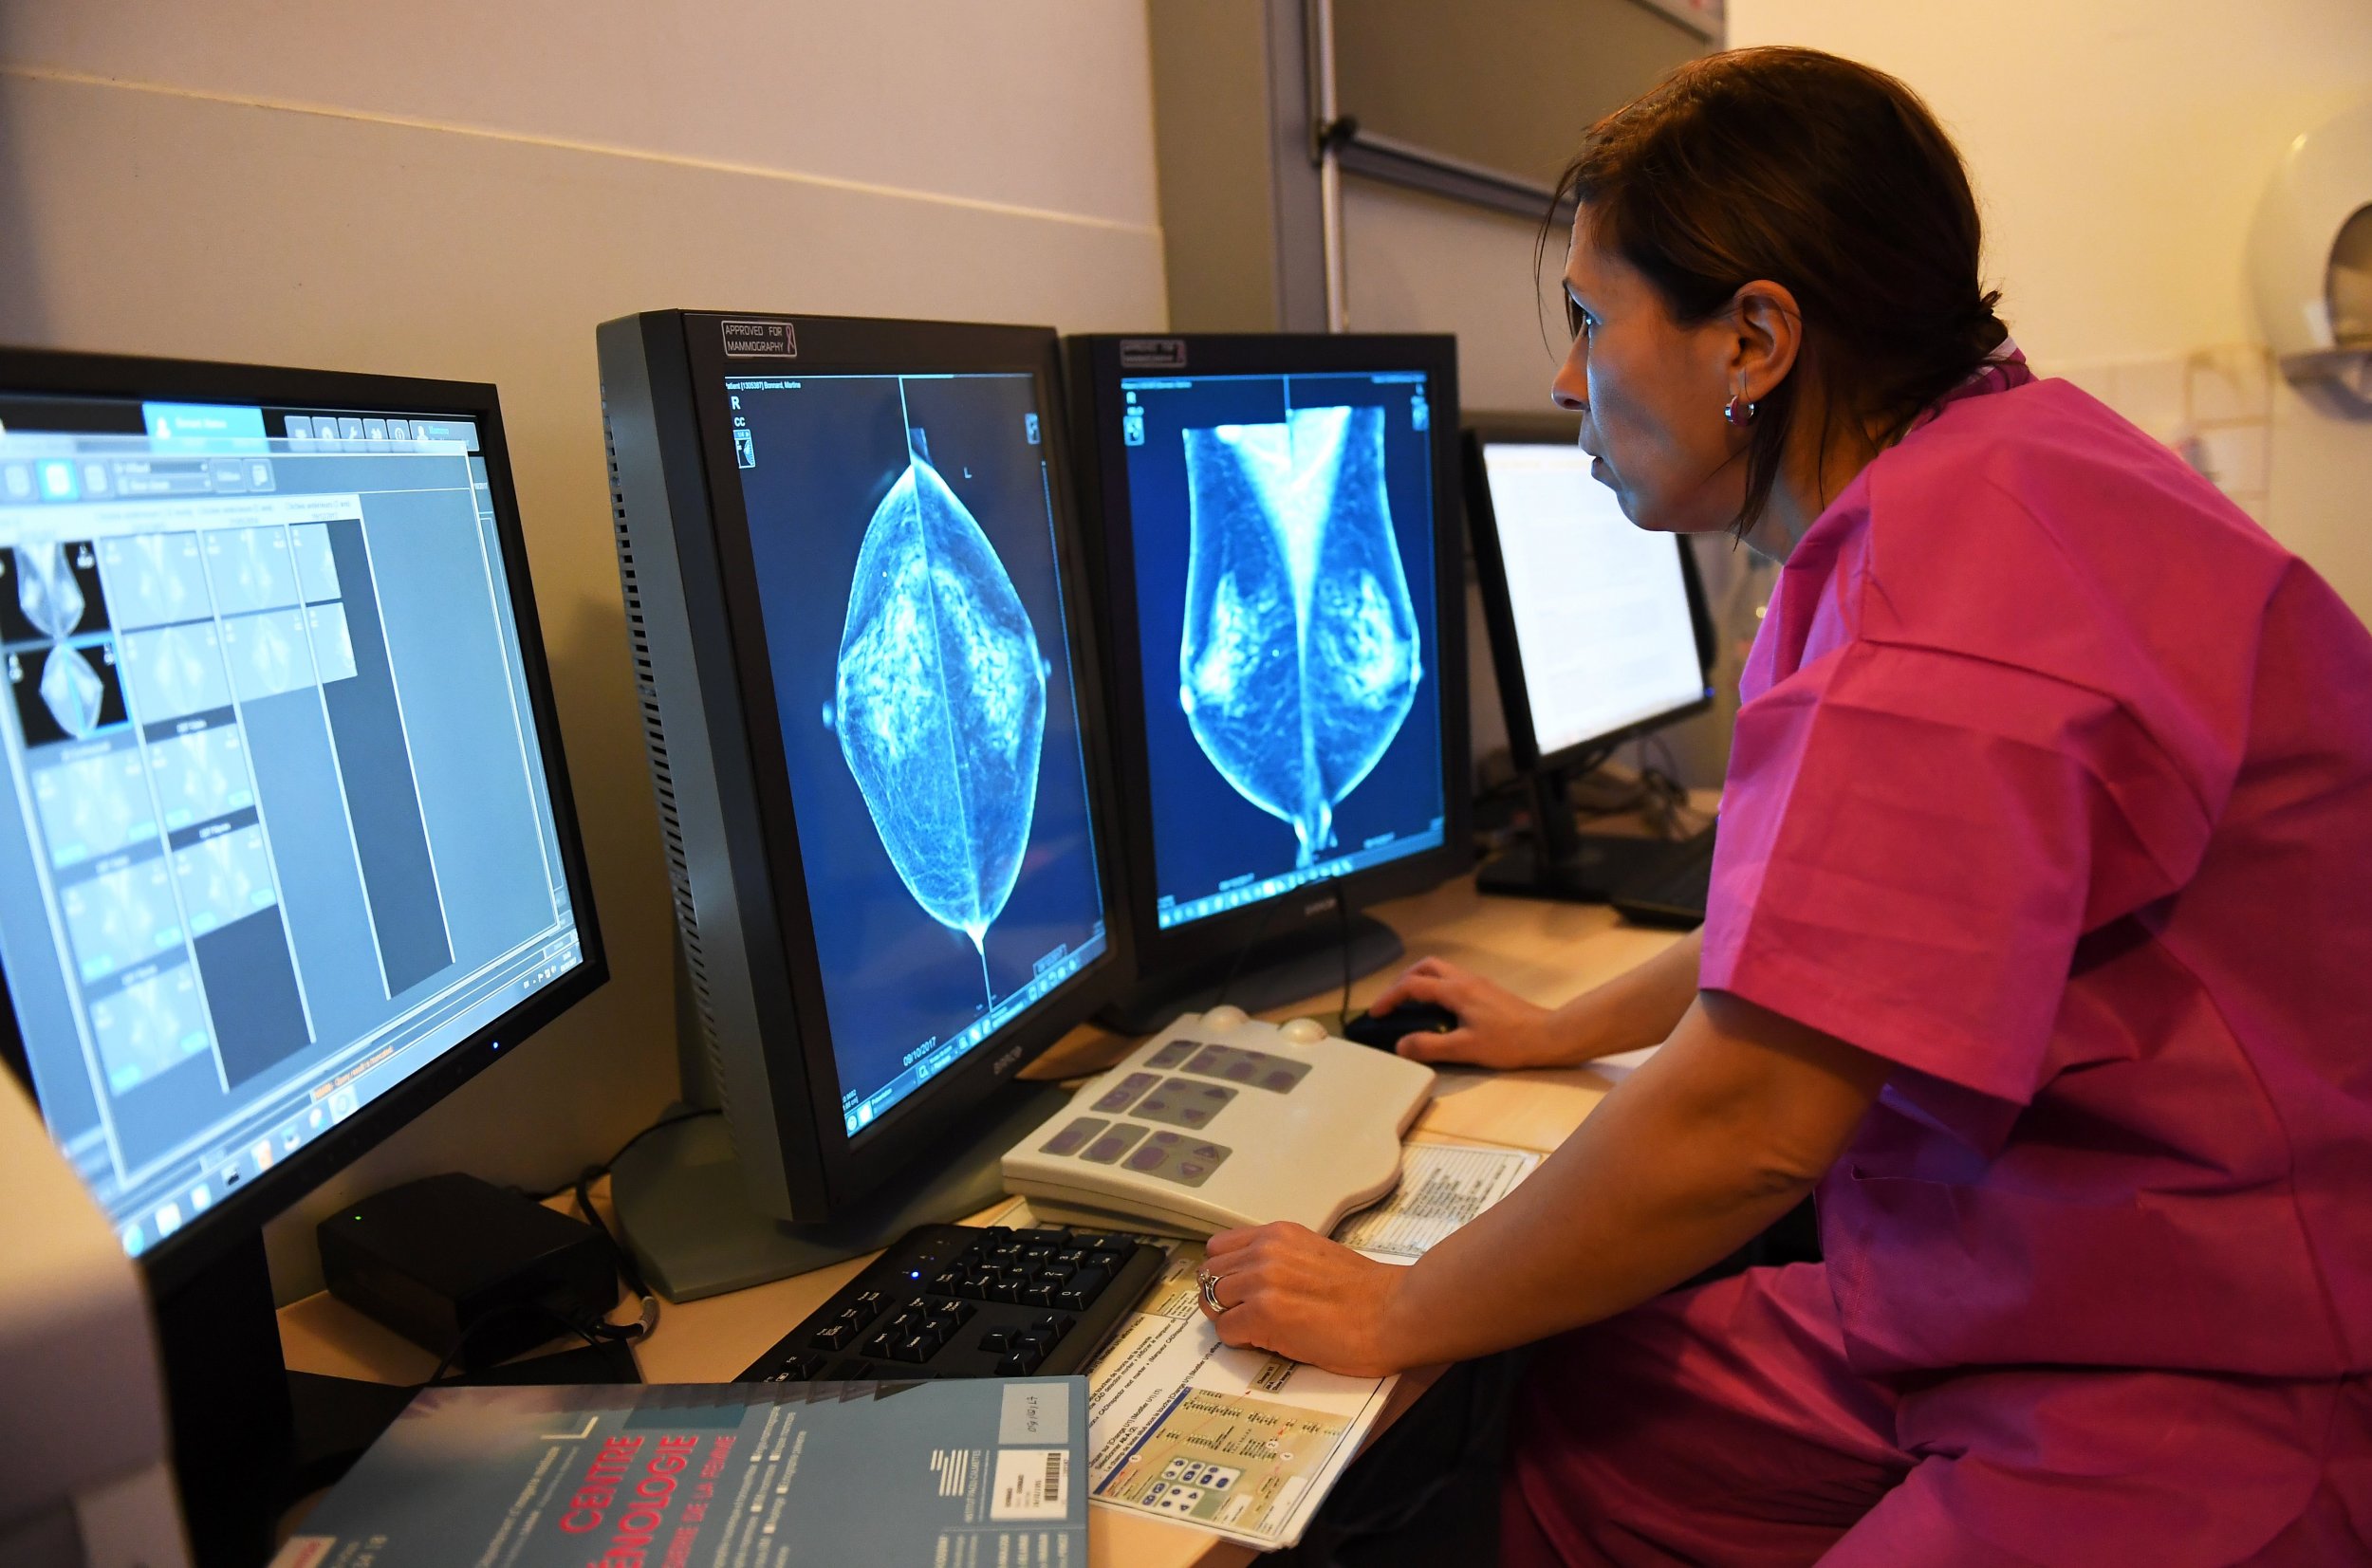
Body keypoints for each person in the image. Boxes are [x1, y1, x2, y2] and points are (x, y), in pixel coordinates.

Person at [1192, 46, 2372, 1565]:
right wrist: (1565, 1027)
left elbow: (1750, 1120)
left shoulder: (1949, 599)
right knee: (1575, 1414)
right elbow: (1853, 918)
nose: (1566, 380)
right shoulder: (1984, 481)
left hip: (2204, 1366)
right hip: (2011, 1279)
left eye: (1586, 319)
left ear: (1753, 338)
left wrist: (1398, 1301)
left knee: (1474, 1366)